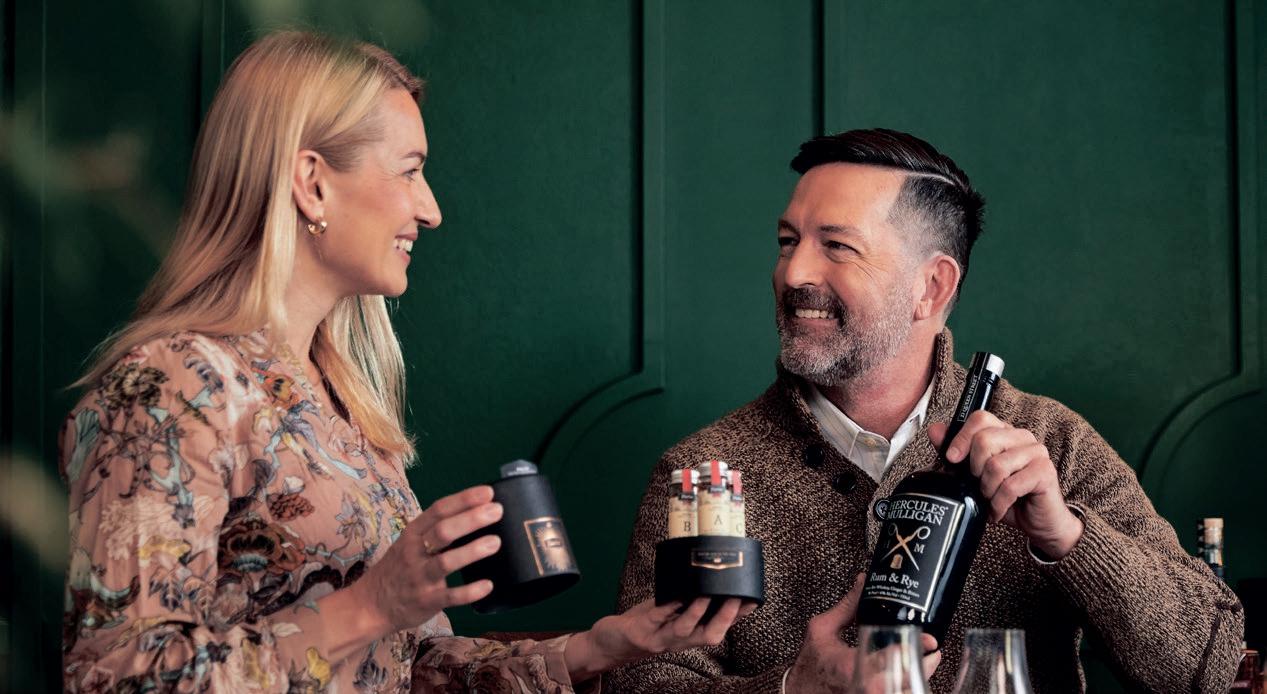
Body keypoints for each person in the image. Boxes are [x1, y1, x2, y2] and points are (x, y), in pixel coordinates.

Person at [59, 30, 750, 693]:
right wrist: (371, 605)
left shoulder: (339, 399)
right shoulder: (169, 388)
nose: (431, 209)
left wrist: (598, 647)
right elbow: (117, 678)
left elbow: (402, 664)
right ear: (312, 183)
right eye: (411, 171)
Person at [609, 129, 1246, 693]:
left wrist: (1069, 540)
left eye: (837, 246)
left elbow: (1207, 670)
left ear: (932, 286)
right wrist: (791, 690)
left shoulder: (1052, 443)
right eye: (787, 241)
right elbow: (641, 684)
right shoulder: (702, 473)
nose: (793, 271)